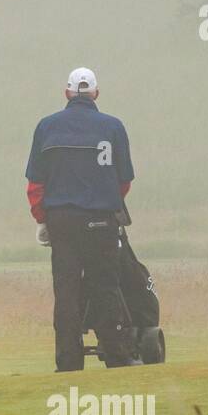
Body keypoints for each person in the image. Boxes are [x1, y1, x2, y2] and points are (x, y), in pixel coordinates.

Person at [25, 68, 139, 371]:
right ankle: (117, 356)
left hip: (62, 222)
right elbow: (124, 181)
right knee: (105, 286)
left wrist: (42, 220)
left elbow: (36, 185)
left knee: (67, 291)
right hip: (101, 221)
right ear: (96, 94)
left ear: (67, 93)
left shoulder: (46, 127)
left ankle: (68, 362)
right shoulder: (113, 127)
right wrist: (104, 201)